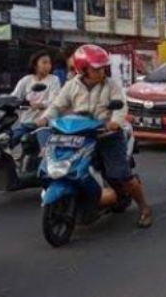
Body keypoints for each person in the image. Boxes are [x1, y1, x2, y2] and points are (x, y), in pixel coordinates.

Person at [37, 45, 153, 229]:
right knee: (67, 165)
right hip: (80, 135)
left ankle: (145, 208)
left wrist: (114, 122)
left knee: (120, 175)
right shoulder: (72, 85)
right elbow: (57, 105)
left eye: (103, 67)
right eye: (97, 68)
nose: (102, 71)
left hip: (107, 135)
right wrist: (44, 118)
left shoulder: (111, 86)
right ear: (83, 69)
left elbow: (121, 106)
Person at [10, 50, 61, 145]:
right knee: (7, 141)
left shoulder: (54, 80)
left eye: (49, 63)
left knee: (44, 150)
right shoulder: (25, 80)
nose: (48, 66)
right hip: (26, 122)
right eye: (44, 62)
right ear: (35, 65)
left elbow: (55, 101)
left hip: (44, 125)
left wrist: (41, 105)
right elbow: (14, 97)